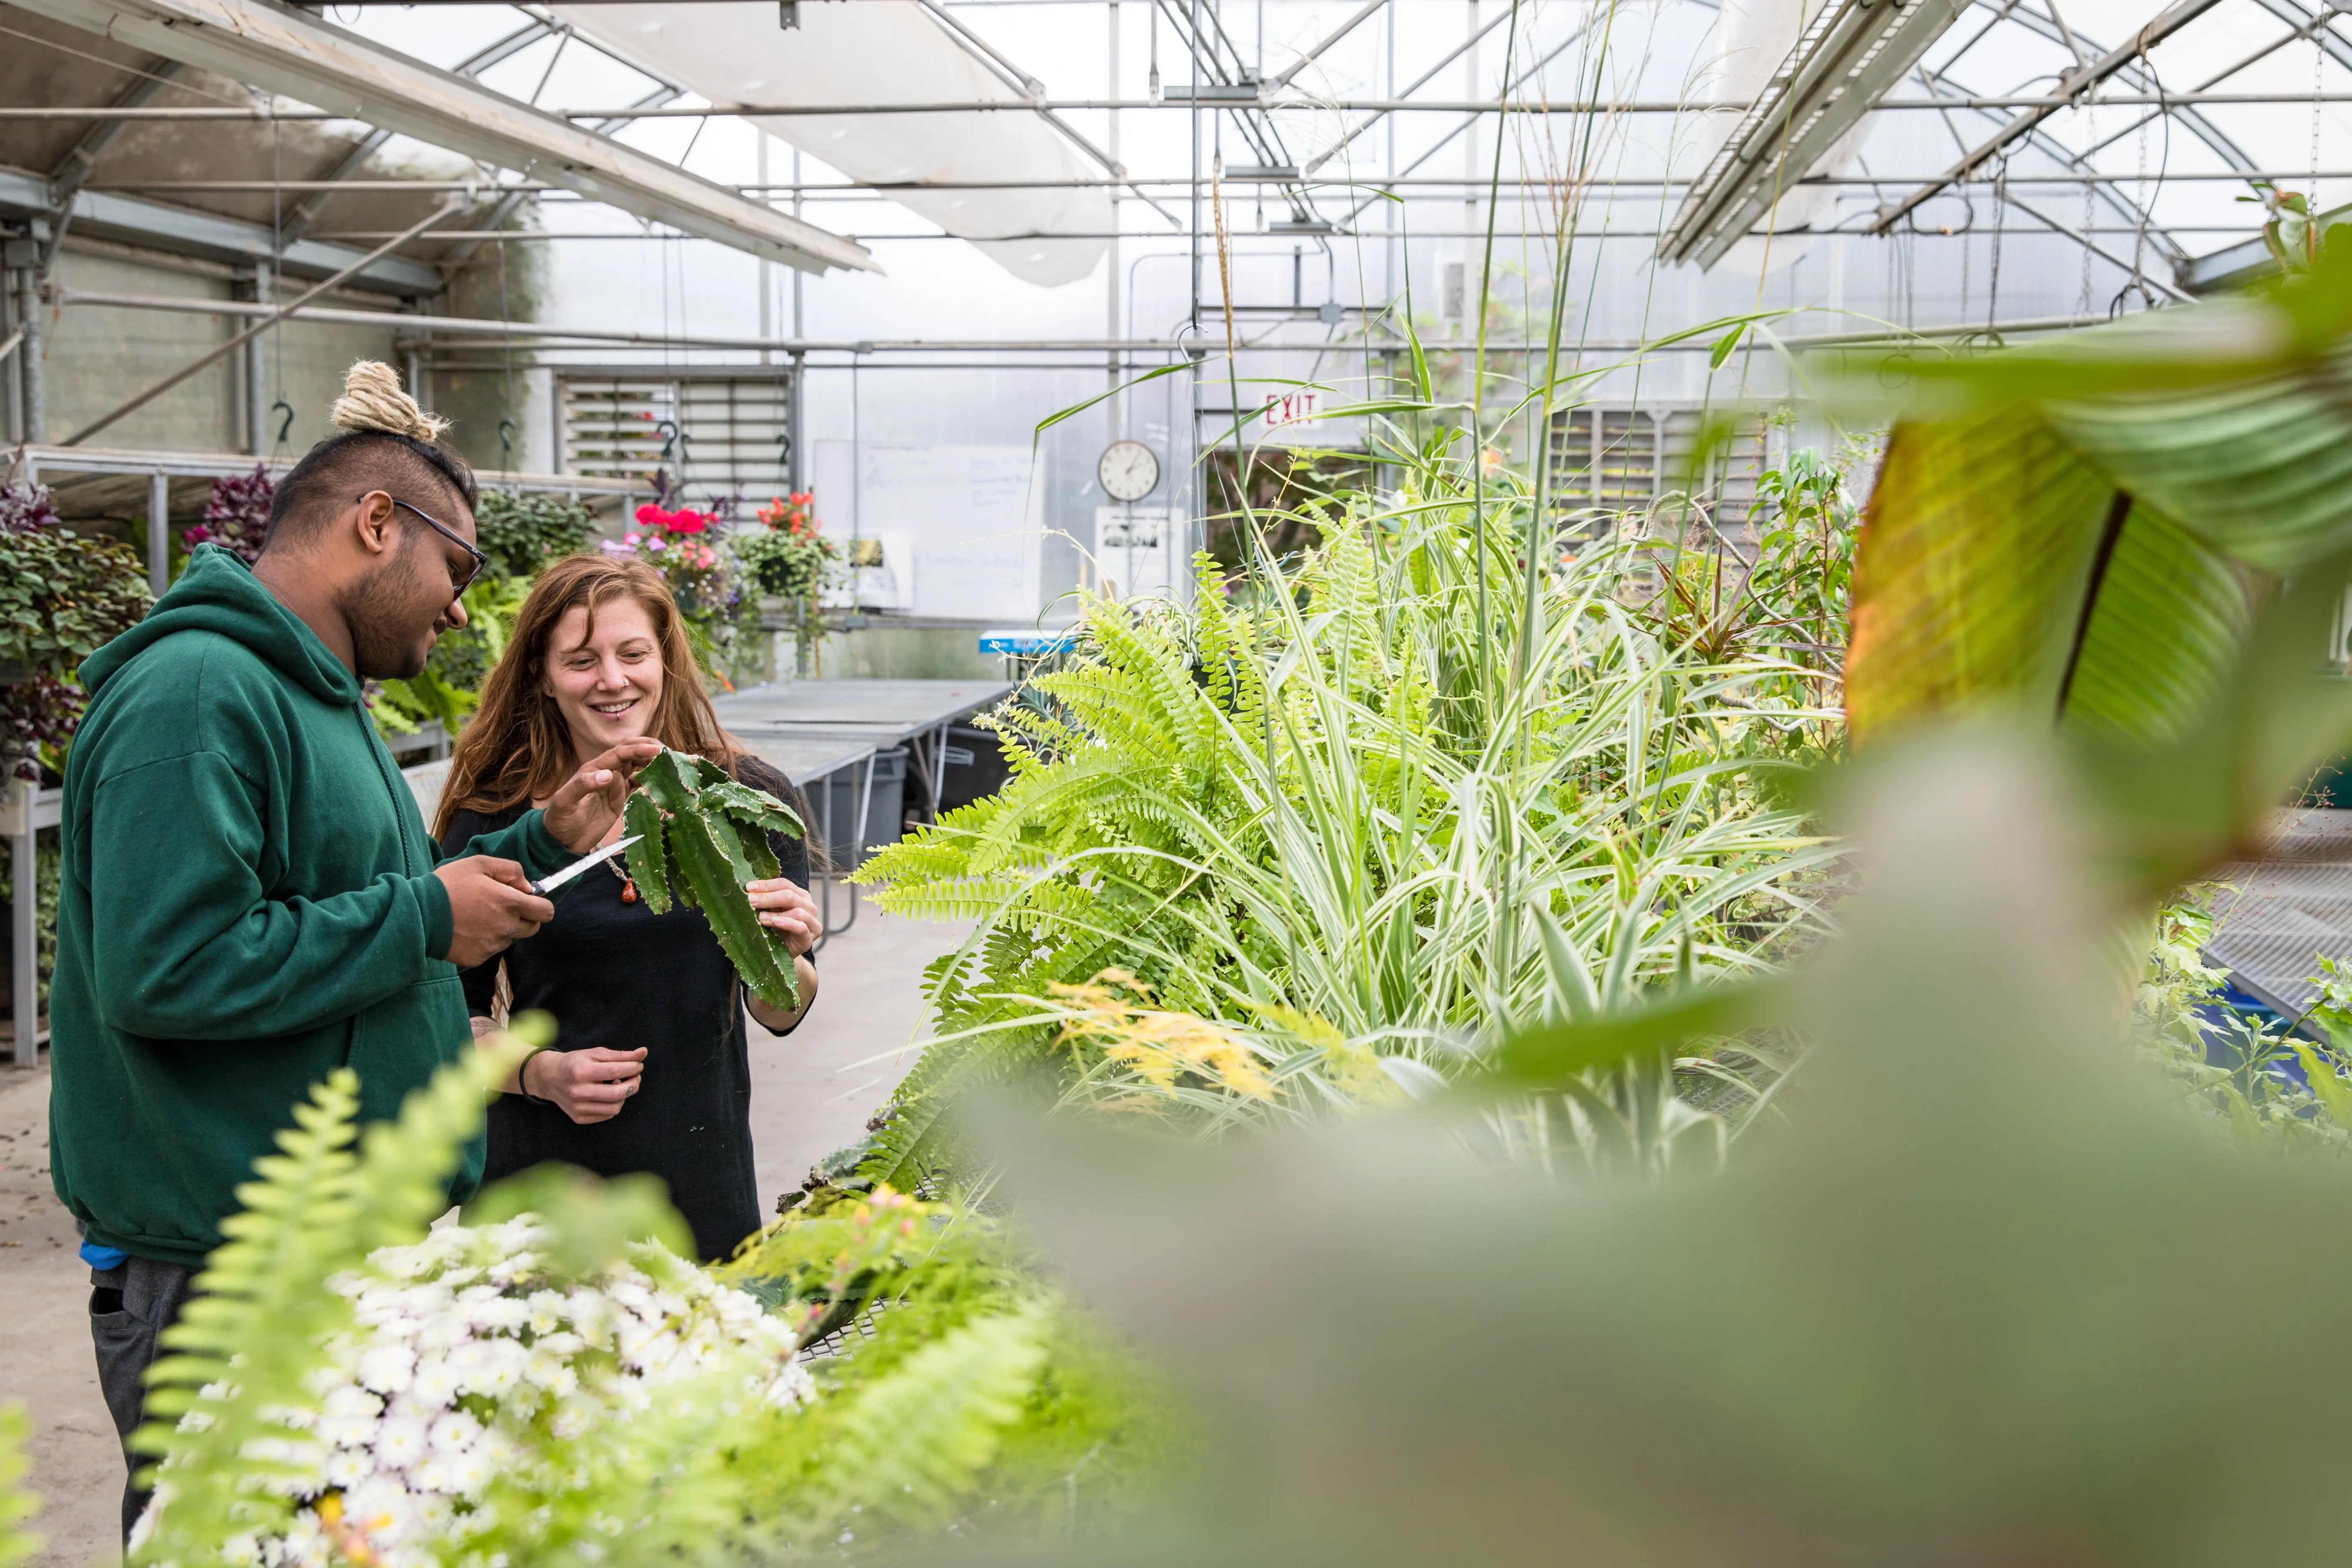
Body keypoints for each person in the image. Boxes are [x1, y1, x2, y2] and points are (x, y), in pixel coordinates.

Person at [45, 362, 661, 1540]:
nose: (459, 608)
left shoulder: (319, 696)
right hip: (222, 1271)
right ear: (378, 523)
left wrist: (539, 840)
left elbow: (353, 898)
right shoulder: (195, 693)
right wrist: (429, 919)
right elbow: (163, 967)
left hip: (326, 1249)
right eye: (458, 569)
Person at [433, 554, 823, 1264]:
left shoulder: (745, 799)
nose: (613, 680)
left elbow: (782, 1010)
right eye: (582, 660)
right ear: (543, 678)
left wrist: (790, 955)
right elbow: (441, 1017)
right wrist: (538, 1073)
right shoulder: (492, 815)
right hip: (537, 1190)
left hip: (699, 1180)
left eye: (633, 653)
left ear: (665, 661)